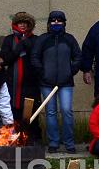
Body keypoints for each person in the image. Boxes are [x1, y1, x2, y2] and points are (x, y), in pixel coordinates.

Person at [30, 10, 81, 153]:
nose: (56, 23)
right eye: (53, 20)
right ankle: (53, 143)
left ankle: (69, 143)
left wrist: (71, 71)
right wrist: (42, 73)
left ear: (64, 23)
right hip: (47, 83)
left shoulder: (69, 39)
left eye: (59, 20)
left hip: (66, 83)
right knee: (50, 112)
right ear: (49, 23)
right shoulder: (43, 39)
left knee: (66, 111)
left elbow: (77, 57)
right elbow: (35, 57)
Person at [0, 12, 39, 133]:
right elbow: (5, 60)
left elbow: (37, 58)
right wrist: (17, 50)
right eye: (20, 23)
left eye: (25, 23)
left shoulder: (35, 39)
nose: (22, 25)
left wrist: (27, 46)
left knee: (30, 111)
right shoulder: (9, 40)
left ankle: (31, 137)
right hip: (13, 83)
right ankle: (14, 136)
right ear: (15, 24)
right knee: (13, 110)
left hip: (30, 83)